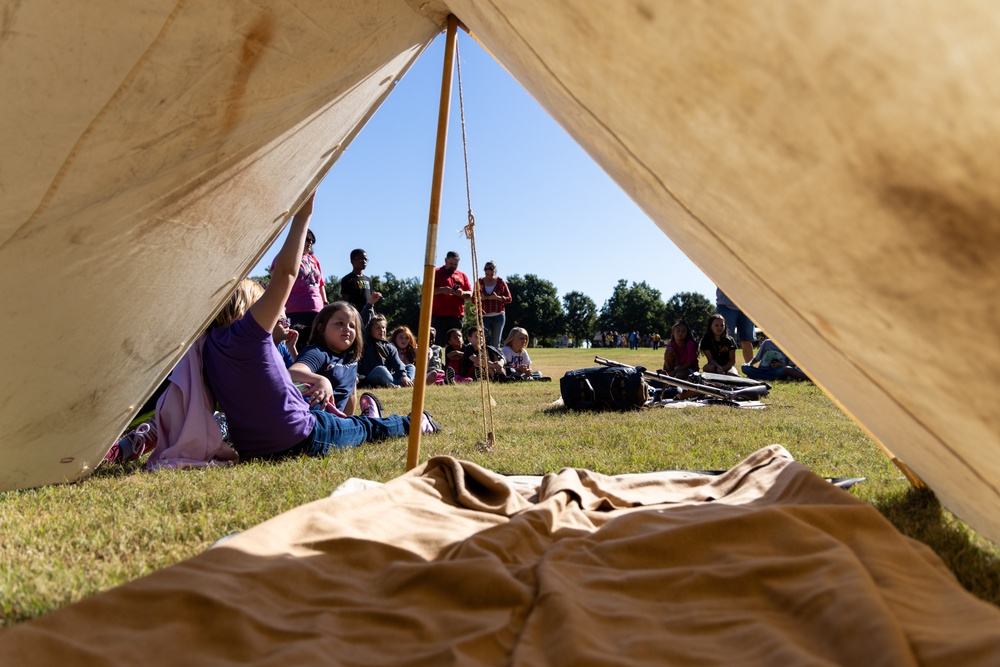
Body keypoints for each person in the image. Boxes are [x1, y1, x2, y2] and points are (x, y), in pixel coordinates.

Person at [203, 193, 438, 460]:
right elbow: (285, 274)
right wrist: (303, 215)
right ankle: (415, 422)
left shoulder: (207, 346)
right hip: (299, 435)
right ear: (246, 307)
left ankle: (369, 415)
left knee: (347, 423)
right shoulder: (248, 333)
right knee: (363, 428)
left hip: (252, 449)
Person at [288, 302, 363, 414]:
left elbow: (351, 393)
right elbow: (292, 373)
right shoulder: (317, 352)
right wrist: (322, 380)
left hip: (335, 420)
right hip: (313, 413)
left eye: (352, 326)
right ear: (321, 328)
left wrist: (348, 420)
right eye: (340, 323)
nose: (347, 328)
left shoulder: (351, 358)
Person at [273, 228, 327, 339]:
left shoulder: (314, 260)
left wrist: (325, 304)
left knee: (315, 342)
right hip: (294, 308)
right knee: (294, 341)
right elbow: (276, 279)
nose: (310, 242)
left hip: (317, 309)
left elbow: (321, 284)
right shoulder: (286, 255)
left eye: (313, 240)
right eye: (307, 239)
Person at [358, 311, 415, 388]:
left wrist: (403, 375)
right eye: (378, 328)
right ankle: (398, 384)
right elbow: (363, 324)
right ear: (370, 331)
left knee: (410, 367)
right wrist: (369, 305)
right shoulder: (366, 343)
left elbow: (397, 363)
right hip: (372, 375)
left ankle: (399, 384)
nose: (382, 330)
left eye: (383, 327)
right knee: (380, 369)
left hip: (388, 376)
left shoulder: (390, 346)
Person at [432, 251, 472, 346]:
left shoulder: (462, 275)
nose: (453, 266)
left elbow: (470, 294)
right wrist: (442, 290)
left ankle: (453, 361)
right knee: (437, 343)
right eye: (450, 264)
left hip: (456, 316)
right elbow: (427, 290)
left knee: (456, 344)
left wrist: (462, 293)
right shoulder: (436, 272)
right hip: (438, 315)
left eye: (455, 264)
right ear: (445, 260)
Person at [477, 261, 512, 348]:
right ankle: (481, 360)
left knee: (496, 343)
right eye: (487, 274)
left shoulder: (501, 282)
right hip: (484, 315)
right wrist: (480, 297)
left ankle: (495, 360)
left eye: (491, 274)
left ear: (495, 272)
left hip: (498, 315)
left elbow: (509, 299)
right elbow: (473, 299)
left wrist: (497, 298)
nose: (489, 277)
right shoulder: (480, 281)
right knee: (481, 341)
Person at [716, 287, 754, 365]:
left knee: (747, 340)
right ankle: (725, 368)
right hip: (725, 304)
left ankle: (750, 369)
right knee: (725, 340)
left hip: (747, 306)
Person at [743, 338, 809, 381]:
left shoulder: (790, 346)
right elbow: (757, 358)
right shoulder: (767, 342)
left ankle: (808, 378)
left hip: (777, 370)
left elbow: (792, 366)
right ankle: (771, 377)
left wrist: (780, 365)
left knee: (787, 369)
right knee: (744, 367)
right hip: (763, 369)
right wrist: (750, 364)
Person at [340, 249, 376, 313]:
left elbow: (370, 300)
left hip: (367, 314)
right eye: (361, 259)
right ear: (352, 262)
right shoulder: (347, 279)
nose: (364, 262)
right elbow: (344, 301)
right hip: (355, 314)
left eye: (366, 259)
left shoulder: (368, 280)